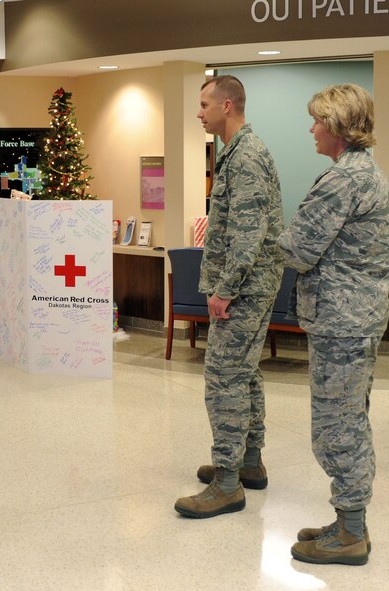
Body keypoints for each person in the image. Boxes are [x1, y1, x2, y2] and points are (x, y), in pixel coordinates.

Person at [278, 84, 389, 566]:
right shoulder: (368, 173)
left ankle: (350, 534)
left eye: (318, 121)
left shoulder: (342, 179)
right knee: (350, 419)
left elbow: (299, 250)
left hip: (342, 321)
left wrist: (269, 236)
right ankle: (348, 520)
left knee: (336, 426)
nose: (311, 129)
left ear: (339, 127)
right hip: (356, 317)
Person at [174, 75, 284, 518]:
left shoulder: (248, 157)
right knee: (244, 372)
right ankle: (249, 463)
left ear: (228, 105)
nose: (199, 113)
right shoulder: (233, 153)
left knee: (223, 377)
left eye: (204, 104)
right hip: (248, 285)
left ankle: (226, 483)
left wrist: (225, 289)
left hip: (244, 288)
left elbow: (248, 233)